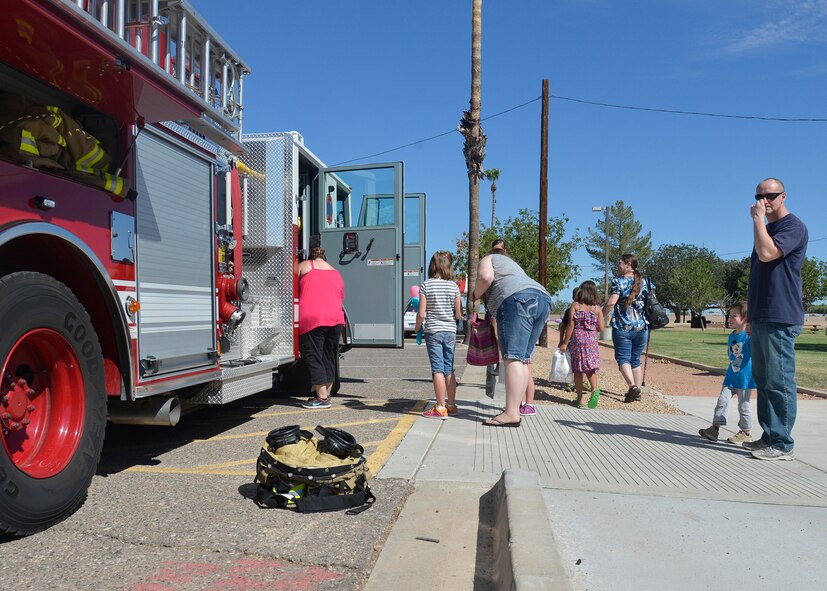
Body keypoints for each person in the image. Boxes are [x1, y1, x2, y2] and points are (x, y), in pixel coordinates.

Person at [744, 178, 808, 461]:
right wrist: (751, 315)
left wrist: (758, 220)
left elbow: (768, 253)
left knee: (780, 380)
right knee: (764, 379)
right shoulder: (766, 229)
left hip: (781, 315)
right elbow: (758, 268)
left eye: (769, 195)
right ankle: (769, 436)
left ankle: (783, 444)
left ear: (783, 196)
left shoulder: (794, 227)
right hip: (761, 315)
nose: (764, 200)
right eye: (759, 196)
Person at [474, 246, 552, 427]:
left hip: (518, 299)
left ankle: (511, 413)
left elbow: (485, 277)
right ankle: (514, 408)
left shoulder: (490, 258)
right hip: (543, 299)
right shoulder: (514, 267)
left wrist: (474, 295)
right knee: (523, 358)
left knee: (513, 357)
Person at [488, 239, 538, 417]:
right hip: (533, 311)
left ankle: (515, 408)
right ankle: (526, 404)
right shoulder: (516, 270)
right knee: (526, 366)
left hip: (518, 312)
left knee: (516, 362)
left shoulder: (493, 265)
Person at [698, 301, 756, 444]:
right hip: (731, 375)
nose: (730, 319)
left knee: (743, 405)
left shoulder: (749, 337)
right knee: (722, 400)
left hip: (745, 378)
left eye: (734, 316)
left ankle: (746, 432)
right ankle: (715, 428)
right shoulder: (731, 336)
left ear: (745, 319)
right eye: (729, 316)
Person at [416, 251, 463, 419]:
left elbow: (421, 313)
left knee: (437, 370)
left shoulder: (426, 285)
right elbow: (458, 314)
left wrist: (417, 328)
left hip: (433, 331)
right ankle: (451, 404)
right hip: (450, 331)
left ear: (432, 265)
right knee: (448, 369)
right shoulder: (454, 286)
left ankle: (440, 407)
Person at [298, 247, 345, 409]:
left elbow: (289, 285)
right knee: (328, 357)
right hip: (336, 319)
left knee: (313, 355)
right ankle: (327, 395)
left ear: (311, 257)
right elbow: (340, 296)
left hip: (313, 318)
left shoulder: (305, 265)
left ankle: (321, 398)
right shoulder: (336, 272)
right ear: (325, 259)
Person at [602, 254, 650, 403]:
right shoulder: (646, 282)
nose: (618, 266)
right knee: (635, 359)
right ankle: (637, 392)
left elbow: (611, 303)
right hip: (642, 328)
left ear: (628, 265)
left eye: (620, 263)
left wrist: (601, 316)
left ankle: (633, 387)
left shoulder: (619, 282)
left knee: (623, 358)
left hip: (623, 326)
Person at [560, 281, 603, 409]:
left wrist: (564, 343)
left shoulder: (576, 305)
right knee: (590, 367)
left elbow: (570, 325)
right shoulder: (597, 309)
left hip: (578, 338)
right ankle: (595, 389)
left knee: (578, 370)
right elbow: (601, 328)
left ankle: (580, 399)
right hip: (592, 339)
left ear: (581, 291)